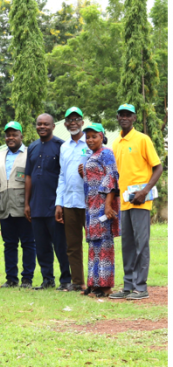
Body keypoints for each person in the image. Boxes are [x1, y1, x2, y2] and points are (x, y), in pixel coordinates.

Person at [109, 104, 163, 301]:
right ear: (117, 117)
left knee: (142, 244)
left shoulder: (142, 139)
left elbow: (158, 167)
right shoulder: (116, 143)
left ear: (134, 118)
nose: (124, 118)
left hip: (141, 201)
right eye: (121, 114)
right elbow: (116, 175)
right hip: (125, 202)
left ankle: (141, 287)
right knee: (128, 245)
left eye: (128, 115)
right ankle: (128, 286)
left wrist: (145, 190)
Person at [24, 113, 72, 291]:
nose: (42, 127)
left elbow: (65, 175)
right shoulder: (33, 147)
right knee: (42, 246)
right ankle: (47, 279)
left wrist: (61, 204)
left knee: (60, 244)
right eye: (39, 124)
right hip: (36, 206)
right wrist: (26, 203)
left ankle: (66, 279)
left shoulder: (61, 146)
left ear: (53, 126)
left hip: (55, 205)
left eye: (46, 124)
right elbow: (28, 176)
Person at [79, 123, 121, 298]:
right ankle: (94, 284)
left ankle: (105, 287)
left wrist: (108, 204)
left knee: (104, 244)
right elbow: (94, 178)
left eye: (94, 136)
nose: (90, 140)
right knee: (94, 243)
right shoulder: (92, 155)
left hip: (103, 206)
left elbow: (112, 177)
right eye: (87, 137)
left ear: (102, 136)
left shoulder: (107, 153)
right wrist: (83, 173)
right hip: (91, 206)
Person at [0, 121, 35, 289]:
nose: (11, 138)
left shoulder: (28, 153)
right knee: (9, 244)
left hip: (24, 207)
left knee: (28, 243)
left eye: (14, 134)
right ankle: (11, 278)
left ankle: (27, 278)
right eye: (8, 135)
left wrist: (29, 204)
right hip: (5, 206)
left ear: (21, 136)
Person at [54, 107, 90, 292]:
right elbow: (62, 175)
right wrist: (58, 203)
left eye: (76, 119)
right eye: (69, 120)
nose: (73, 122)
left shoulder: (91, 143)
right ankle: (78, 282)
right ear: (65, 124)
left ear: (82, 122)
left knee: (94, 242)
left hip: (89, 202)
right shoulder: (64, 147)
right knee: (72, 245)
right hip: (68, 202)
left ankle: (95, 282)